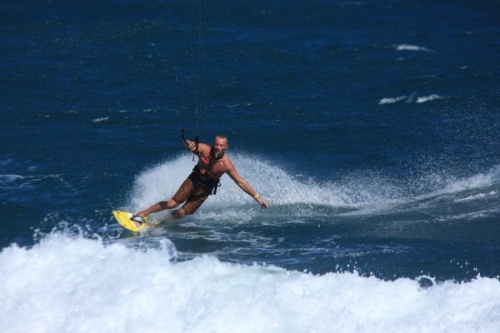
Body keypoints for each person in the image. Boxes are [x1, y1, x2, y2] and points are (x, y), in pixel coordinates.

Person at [130, 134, 268, 227]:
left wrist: (256, 197)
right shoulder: (204, 149)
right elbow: (188, 143)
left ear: (226, 147)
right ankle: (141, 214)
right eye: (216, 144)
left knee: (182, 213)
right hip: (193, 179)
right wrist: (188, 145)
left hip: (205, 189)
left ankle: (159, 221)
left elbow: (240, 182)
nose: (218, 147)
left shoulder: (226, 165)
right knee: (172, 203)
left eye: (221, 145)